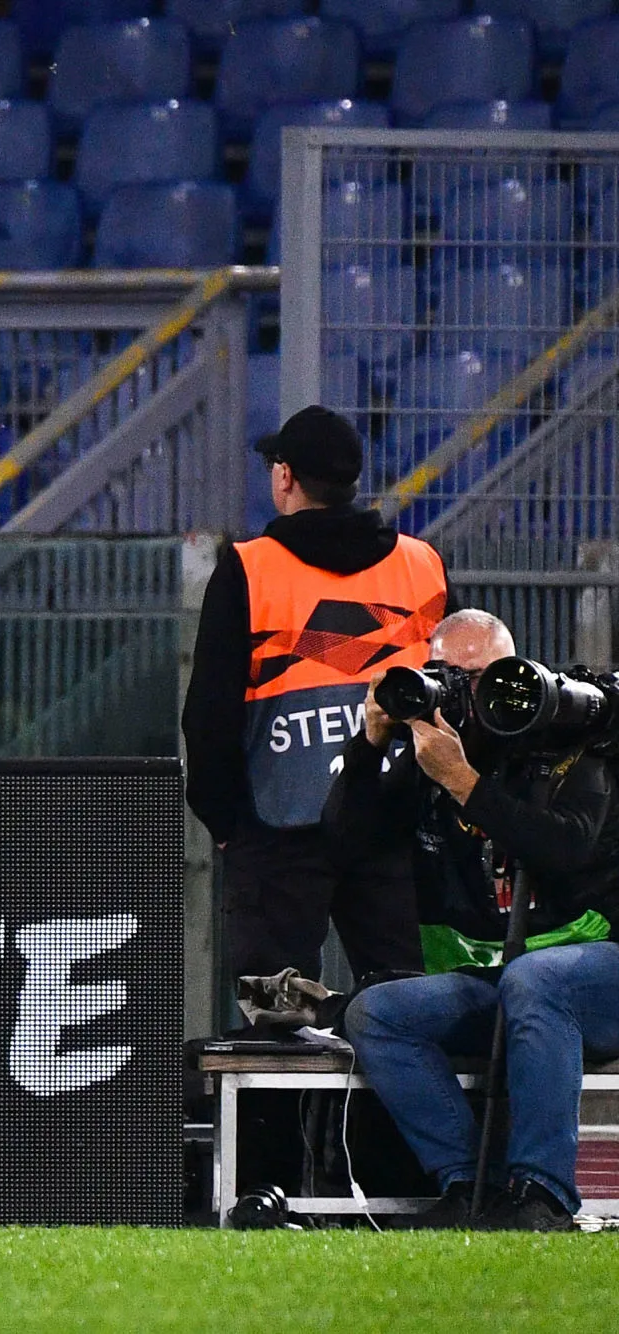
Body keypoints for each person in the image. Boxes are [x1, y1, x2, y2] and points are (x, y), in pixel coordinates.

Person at [330, 610, 619, 1230]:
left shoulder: (574, 747)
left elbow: (566, 848)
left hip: (600, 977)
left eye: (480, 677)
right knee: (376, 1012)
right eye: (446, 676)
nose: (462, 693)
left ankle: (541, 1196)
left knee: (537, 979)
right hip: (501, 981)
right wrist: (370, 744)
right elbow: (345, 843)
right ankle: (470, 1186)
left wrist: (466, 784)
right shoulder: (435, 756)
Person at [182, 405, 448, 987]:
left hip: (277, 825)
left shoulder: (249, 570)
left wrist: (225, 820)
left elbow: (208, 715)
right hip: (392, 826)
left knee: (277, 1028)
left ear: (284, 476)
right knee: (409, 1012)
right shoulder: (422, 565)